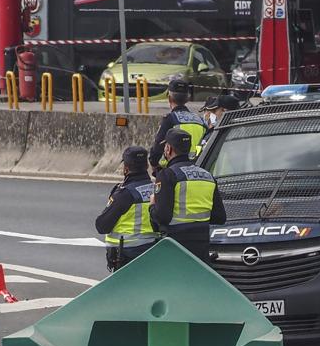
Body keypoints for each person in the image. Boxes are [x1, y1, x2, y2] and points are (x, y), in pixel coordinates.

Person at [149, 128, 226, 264]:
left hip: (176, 246)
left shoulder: (167, 175)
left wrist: (152, 206)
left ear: (168, 149)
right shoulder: (207, 176)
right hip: (202, 245)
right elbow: (219, 217)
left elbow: (162, 217)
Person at [94, 146, 160, 271]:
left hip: (128, 254)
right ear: (147, 166)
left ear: (126, 168)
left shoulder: (125, 193)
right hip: (154, 249)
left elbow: (102, 226)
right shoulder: (157, 188)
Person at [148, 78, 209, 171]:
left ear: (169, 98)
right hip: (199, 168)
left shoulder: (170, 119)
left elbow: (158, 146)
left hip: (173, 169)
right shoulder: (200, 120)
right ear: (187, 98)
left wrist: (154, 164)